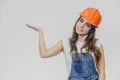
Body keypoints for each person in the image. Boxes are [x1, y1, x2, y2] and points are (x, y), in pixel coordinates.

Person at [26, 7, 105, 80]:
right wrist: (40, 31)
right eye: (81, 20)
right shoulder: (66, 43)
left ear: (91, 29)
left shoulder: (97, 44)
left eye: (87, 25)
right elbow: (44, 54)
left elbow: (102, 72)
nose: (81, 26)